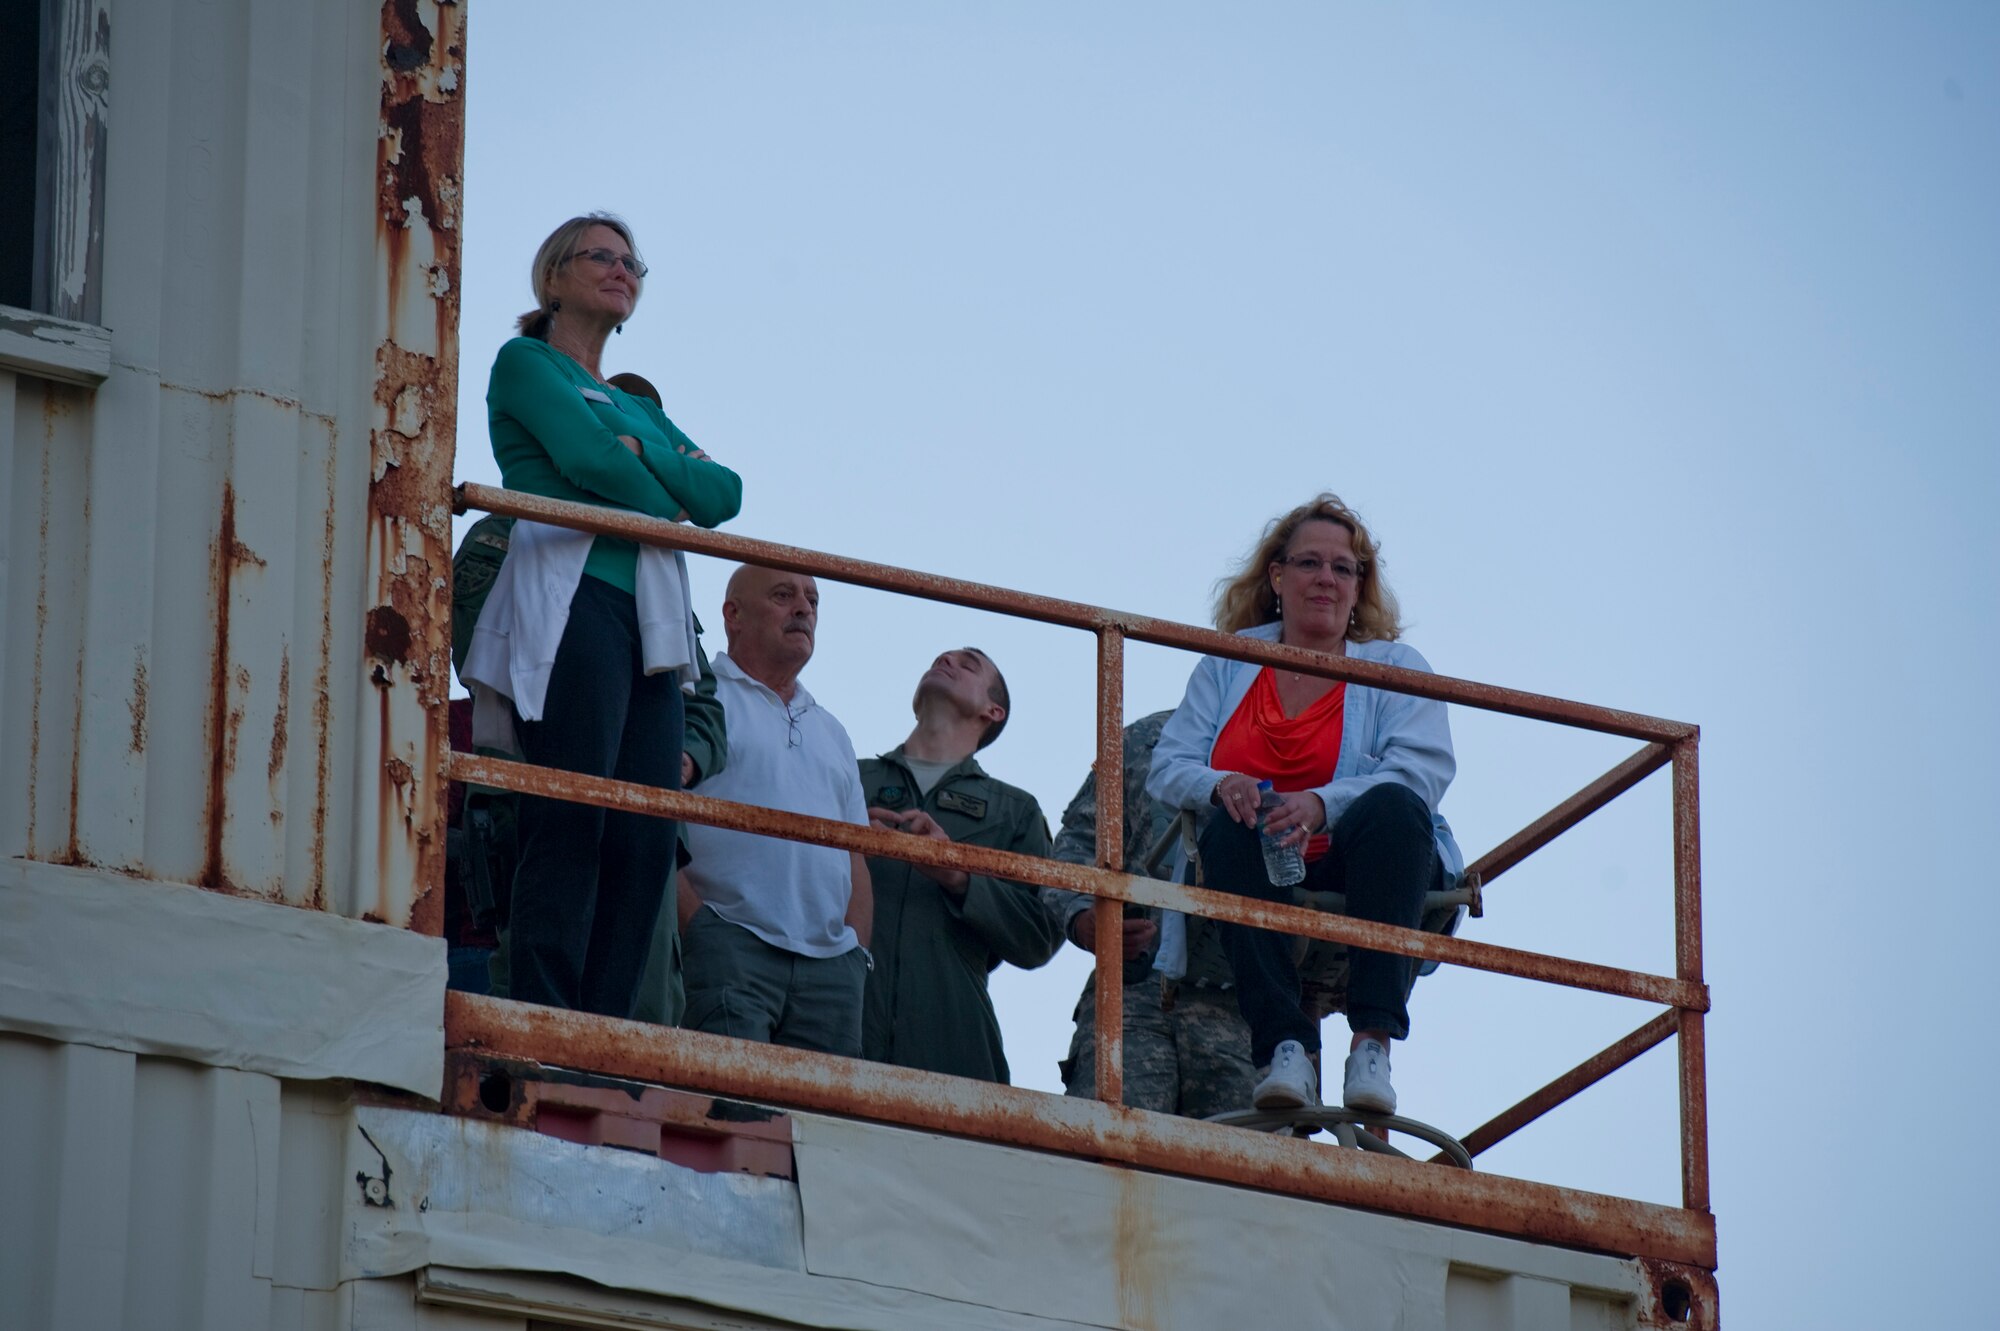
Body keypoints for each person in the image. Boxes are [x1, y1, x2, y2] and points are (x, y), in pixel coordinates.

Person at [460, 212, 742, 1018]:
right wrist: (663, 484)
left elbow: (724, 494)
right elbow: (586, 460)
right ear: (555, 277)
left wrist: (631, 450)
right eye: (602, 257)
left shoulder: (634, 407)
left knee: (646, 837)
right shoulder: (526, 362)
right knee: (571, 817)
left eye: (632, 263)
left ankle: (609, 1034)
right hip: (570, 604)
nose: (622, 271)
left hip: (649, 630)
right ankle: (549, 1017)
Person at [1147, 494, 1462, 1116]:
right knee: (1228, 830)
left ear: (1358, 586)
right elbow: (1169, 765)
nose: (1326, 579)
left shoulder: (1395, 667)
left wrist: (1322, 804)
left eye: (1343, 568)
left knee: (1397, 806)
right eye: (1310, 563)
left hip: (1367, 860)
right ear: (1277, 576)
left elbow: (1422, 769)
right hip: (1260, 860)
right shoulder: (1230, 661)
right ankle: (1283, 1046)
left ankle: (1372, 1044)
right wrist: (1221, 784)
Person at [676, 566, 874, 1055]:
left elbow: (856, 856)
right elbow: (656, 820)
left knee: (824, 1131)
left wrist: (854, 952)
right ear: (733, 614)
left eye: (812, 599)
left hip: (831, 972)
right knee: (732, 1121)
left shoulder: (833, 730)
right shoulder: (700, 703)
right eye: (783, 595)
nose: (804, 609)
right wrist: (700, 929)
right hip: (728, 950)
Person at [858, 649, 1061, 1082]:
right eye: (939, 658)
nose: (945, 661)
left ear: (994, 710)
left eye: (967, 664)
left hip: (954, 1045)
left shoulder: (1014, 811)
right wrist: (846, 840)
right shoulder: (847, 776)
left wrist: (957, 873)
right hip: (838, 1024)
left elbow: (1040, 934)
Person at [1042, 711, 1257, 1118]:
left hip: (1248, 1004)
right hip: (1134, 992)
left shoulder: (1304, 743)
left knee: (1251, 1171)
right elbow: (1077, 845)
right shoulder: (1149, 739)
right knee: (1106, 1154)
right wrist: (1086, 917)